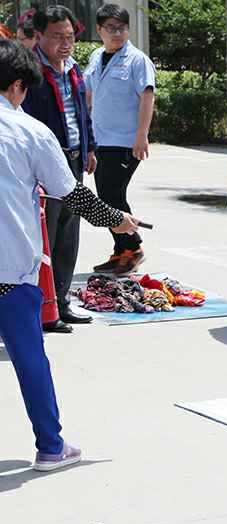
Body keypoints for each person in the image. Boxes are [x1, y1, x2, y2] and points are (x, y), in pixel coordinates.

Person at [0, 39, 139, 471]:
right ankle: (50, 446)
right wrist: (117, 220)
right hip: (9, 267)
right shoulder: (29, 131)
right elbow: (71, 193)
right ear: (18, 86)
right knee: (29, 357)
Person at [21, 5, 97, 335]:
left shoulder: (73, 69)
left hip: (74, 159)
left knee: (68, 234)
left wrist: (89, 147)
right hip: (44, 164)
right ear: (39, 35)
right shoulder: (29, 71)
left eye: (70, 37)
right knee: (45, 239)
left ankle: (61, 302)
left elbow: (82, 111)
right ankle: (41, 309)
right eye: (57, 37)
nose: (65, 44)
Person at [84, 3, 155, 276]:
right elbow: (89, 94)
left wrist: (142, 135)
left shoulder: (137, 60)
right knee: (107, 197)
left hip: (125, 141)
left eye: (122, 28)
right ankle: (121, 251)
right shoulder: (96, 57)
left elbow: (147, 97)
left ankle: (133, 248)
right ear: (99, 30)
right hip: (100, 139)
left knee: (112, 196)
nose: (117, 33)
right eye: (111, 28)